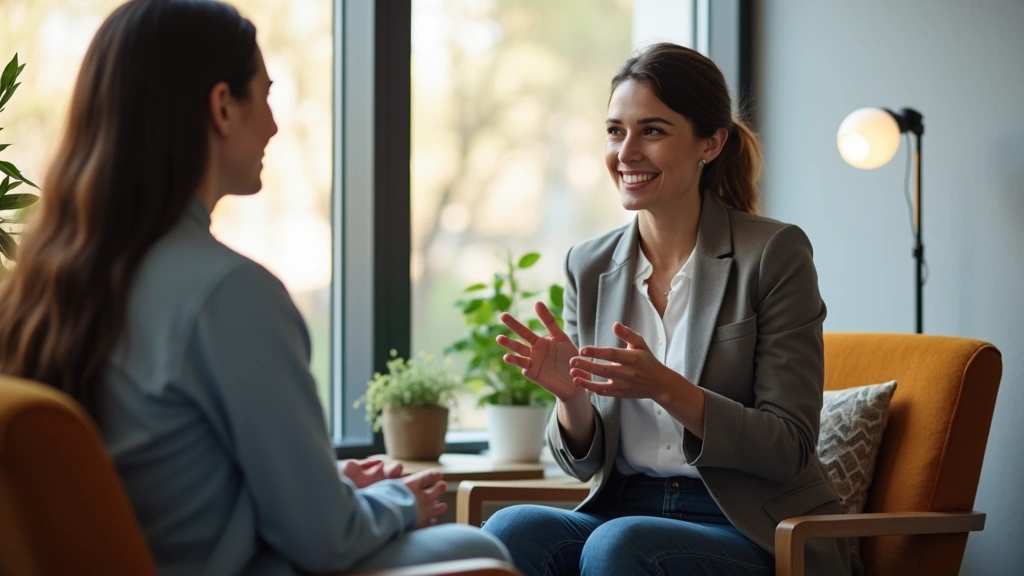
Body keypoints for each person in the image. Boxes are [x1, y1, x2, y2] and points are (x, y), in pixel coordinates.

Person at [0, 1, 509, 575]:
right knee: (480, 548)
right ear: (222, 106)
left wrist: (323, 484)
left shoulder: (45, 287)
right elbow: (326, 540)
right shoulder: (229, 293)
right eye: (265, 96)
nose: (272, 123)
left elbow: (156, 484)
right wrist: (398, 501)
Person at [482, 43, 851, 576]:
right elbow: (581, 461)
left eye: (651, 131)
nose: (626, 152)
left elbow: (788, 447)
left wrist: (666, 387)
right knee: (510, 531)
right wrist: (572, 398)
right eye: (615, 131)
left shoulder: (773, 253)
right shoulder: (587, 266)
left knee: (620, 545)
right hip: (622, 510)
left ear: (711, 143)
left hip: (748, 526)